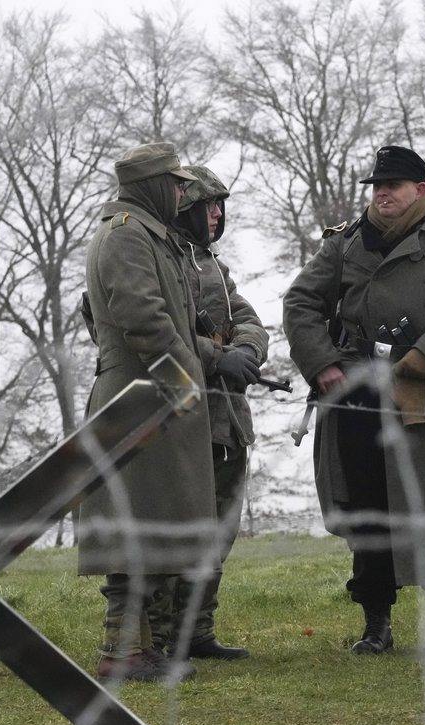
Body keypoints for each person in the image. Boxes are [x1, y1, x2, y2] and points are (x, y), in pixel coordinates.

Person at [282, 144, 425, 657]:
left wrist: (424, 358)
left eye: (394, 186)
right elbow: (301, 303)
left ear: (421, 190)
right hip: (357, 393)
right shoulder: (344, 244)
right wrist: (323, 365)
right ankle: (376, 625)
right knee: (368, 506)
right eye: (377, 186)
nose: (382, 194)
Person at [77, 141, 216, 684]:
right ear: (155, 186)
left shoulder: (147, 233)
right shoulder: (126, 235)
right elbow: (145, 320)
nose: (185, 192)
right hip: (138, 398)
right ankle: (123, 654)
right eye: (177, 184)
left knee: (155, 527)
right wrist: (187, 382)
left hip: (154, 394)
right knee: (133, 530)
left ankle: (139, 649)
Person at [157, 164, 269, 661]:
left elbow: (246, 316)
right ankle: (159, 636)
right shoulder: (155, 255)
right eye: (209, 206)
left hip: (226, 415)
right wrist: (214, 354)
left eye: (222, 206)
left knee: (219, 529)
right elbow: (152, 326)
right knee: (178, 528)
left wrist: (247, 349)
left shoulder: (211, 264)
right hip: (179, 413)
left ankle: (196, 631)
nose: (218, 215)